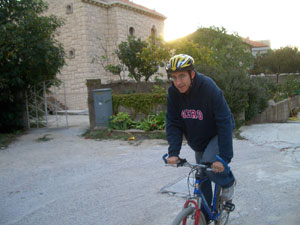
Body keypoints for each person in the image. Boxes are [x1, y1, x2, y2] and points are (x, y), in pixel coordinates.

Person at [165, 54, 235, 214]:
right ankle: (204, 214)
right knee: (201, 173)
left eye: (182, 76)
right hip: (199, 139)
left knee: (211, 165)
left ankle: (229, 182)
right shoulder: (173, 94)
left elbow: (224, 120)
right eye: (174, 77)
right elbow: (173, 123)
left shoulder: (208, 87)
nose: (178, 82)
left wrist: (224, 157)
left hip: (217, 132)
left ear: (192, 74)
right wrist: (173, 152)